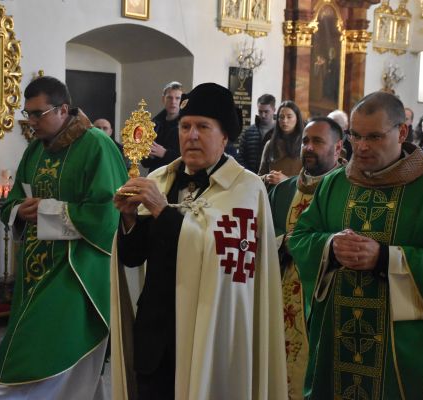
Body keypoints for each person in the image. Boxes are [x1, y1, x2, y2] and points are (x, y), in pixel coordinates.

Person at [288, 91, 423, 399]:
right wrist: (330, 246)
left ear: (402, 132)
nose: (361, 147)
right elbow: (300, 237)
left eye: (375, 137)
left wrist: (385, 259)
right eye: (356, 136)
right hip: (338, 336)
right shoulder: (334, 183)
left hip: (402, 345)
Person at [111, 82, 287, 400]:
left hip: (211, 335)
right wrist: (129, 219)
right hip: (155, 338)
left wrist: (162, 212)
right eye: (185, 126)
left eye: (202, 127)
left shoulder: (245, 189)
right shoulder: (159, 180)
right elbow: (134, 258)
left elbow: (223, 262)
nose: (191, 135)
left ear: (224, 136)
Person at [0, 76, 128, 399]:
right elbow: (11, 202)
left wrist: (45, 211)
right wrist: (20, 211)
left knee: (43, 351)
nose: (30, 123)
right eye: (27, 114)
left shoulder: (97, 146)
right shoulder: (35, 151)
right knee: (52, 352)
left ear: (62, 109)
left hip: (77, 271)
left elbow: (107, 214)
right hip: (35, 271)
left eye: (37, 114)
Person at [268, 117, 346, 400]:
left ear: (338, 148)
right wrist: (282, 242)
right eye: (305, 141)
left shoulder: (347, 191)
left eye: (317, 142)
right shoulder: (283, 190)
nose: (308, 148)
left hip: (320, 296)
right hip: (278, 290)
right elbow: (265, 232)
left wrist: (299, 245)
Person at [259, 100, 304, 188]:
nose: (284, 121)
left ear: (297, 118)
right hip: (272, 194)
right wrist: (267, 177)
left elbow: (310, 178)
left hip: (295, 194)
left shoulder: (304, 144)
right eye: (281, 117)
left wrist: (286, 180)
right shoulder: (270, 144)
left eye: (289, 117)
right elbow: (260, 176)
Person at [141, 81, 183, 173]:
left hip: (176, 177)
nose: (173, 102)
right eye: (169, 97)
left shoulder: (187, 125)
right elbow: (145, 163)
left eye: (177, 98)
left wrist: (165, 153)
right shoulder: (153, 124)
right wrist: (148, 155)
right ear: (163, 99)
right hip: (155, 176)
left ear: (182, 101)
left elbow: (189, 159)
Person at [237, 93, 276, 173]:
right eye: (260, 111)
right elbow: (240, 156)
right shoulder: (248, 132)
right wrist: (249, 174)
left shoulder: (280, 132)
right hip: (250, 177)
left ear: (274, 110)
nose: (263, 115)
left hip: (272, 178)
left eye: (266, 112)